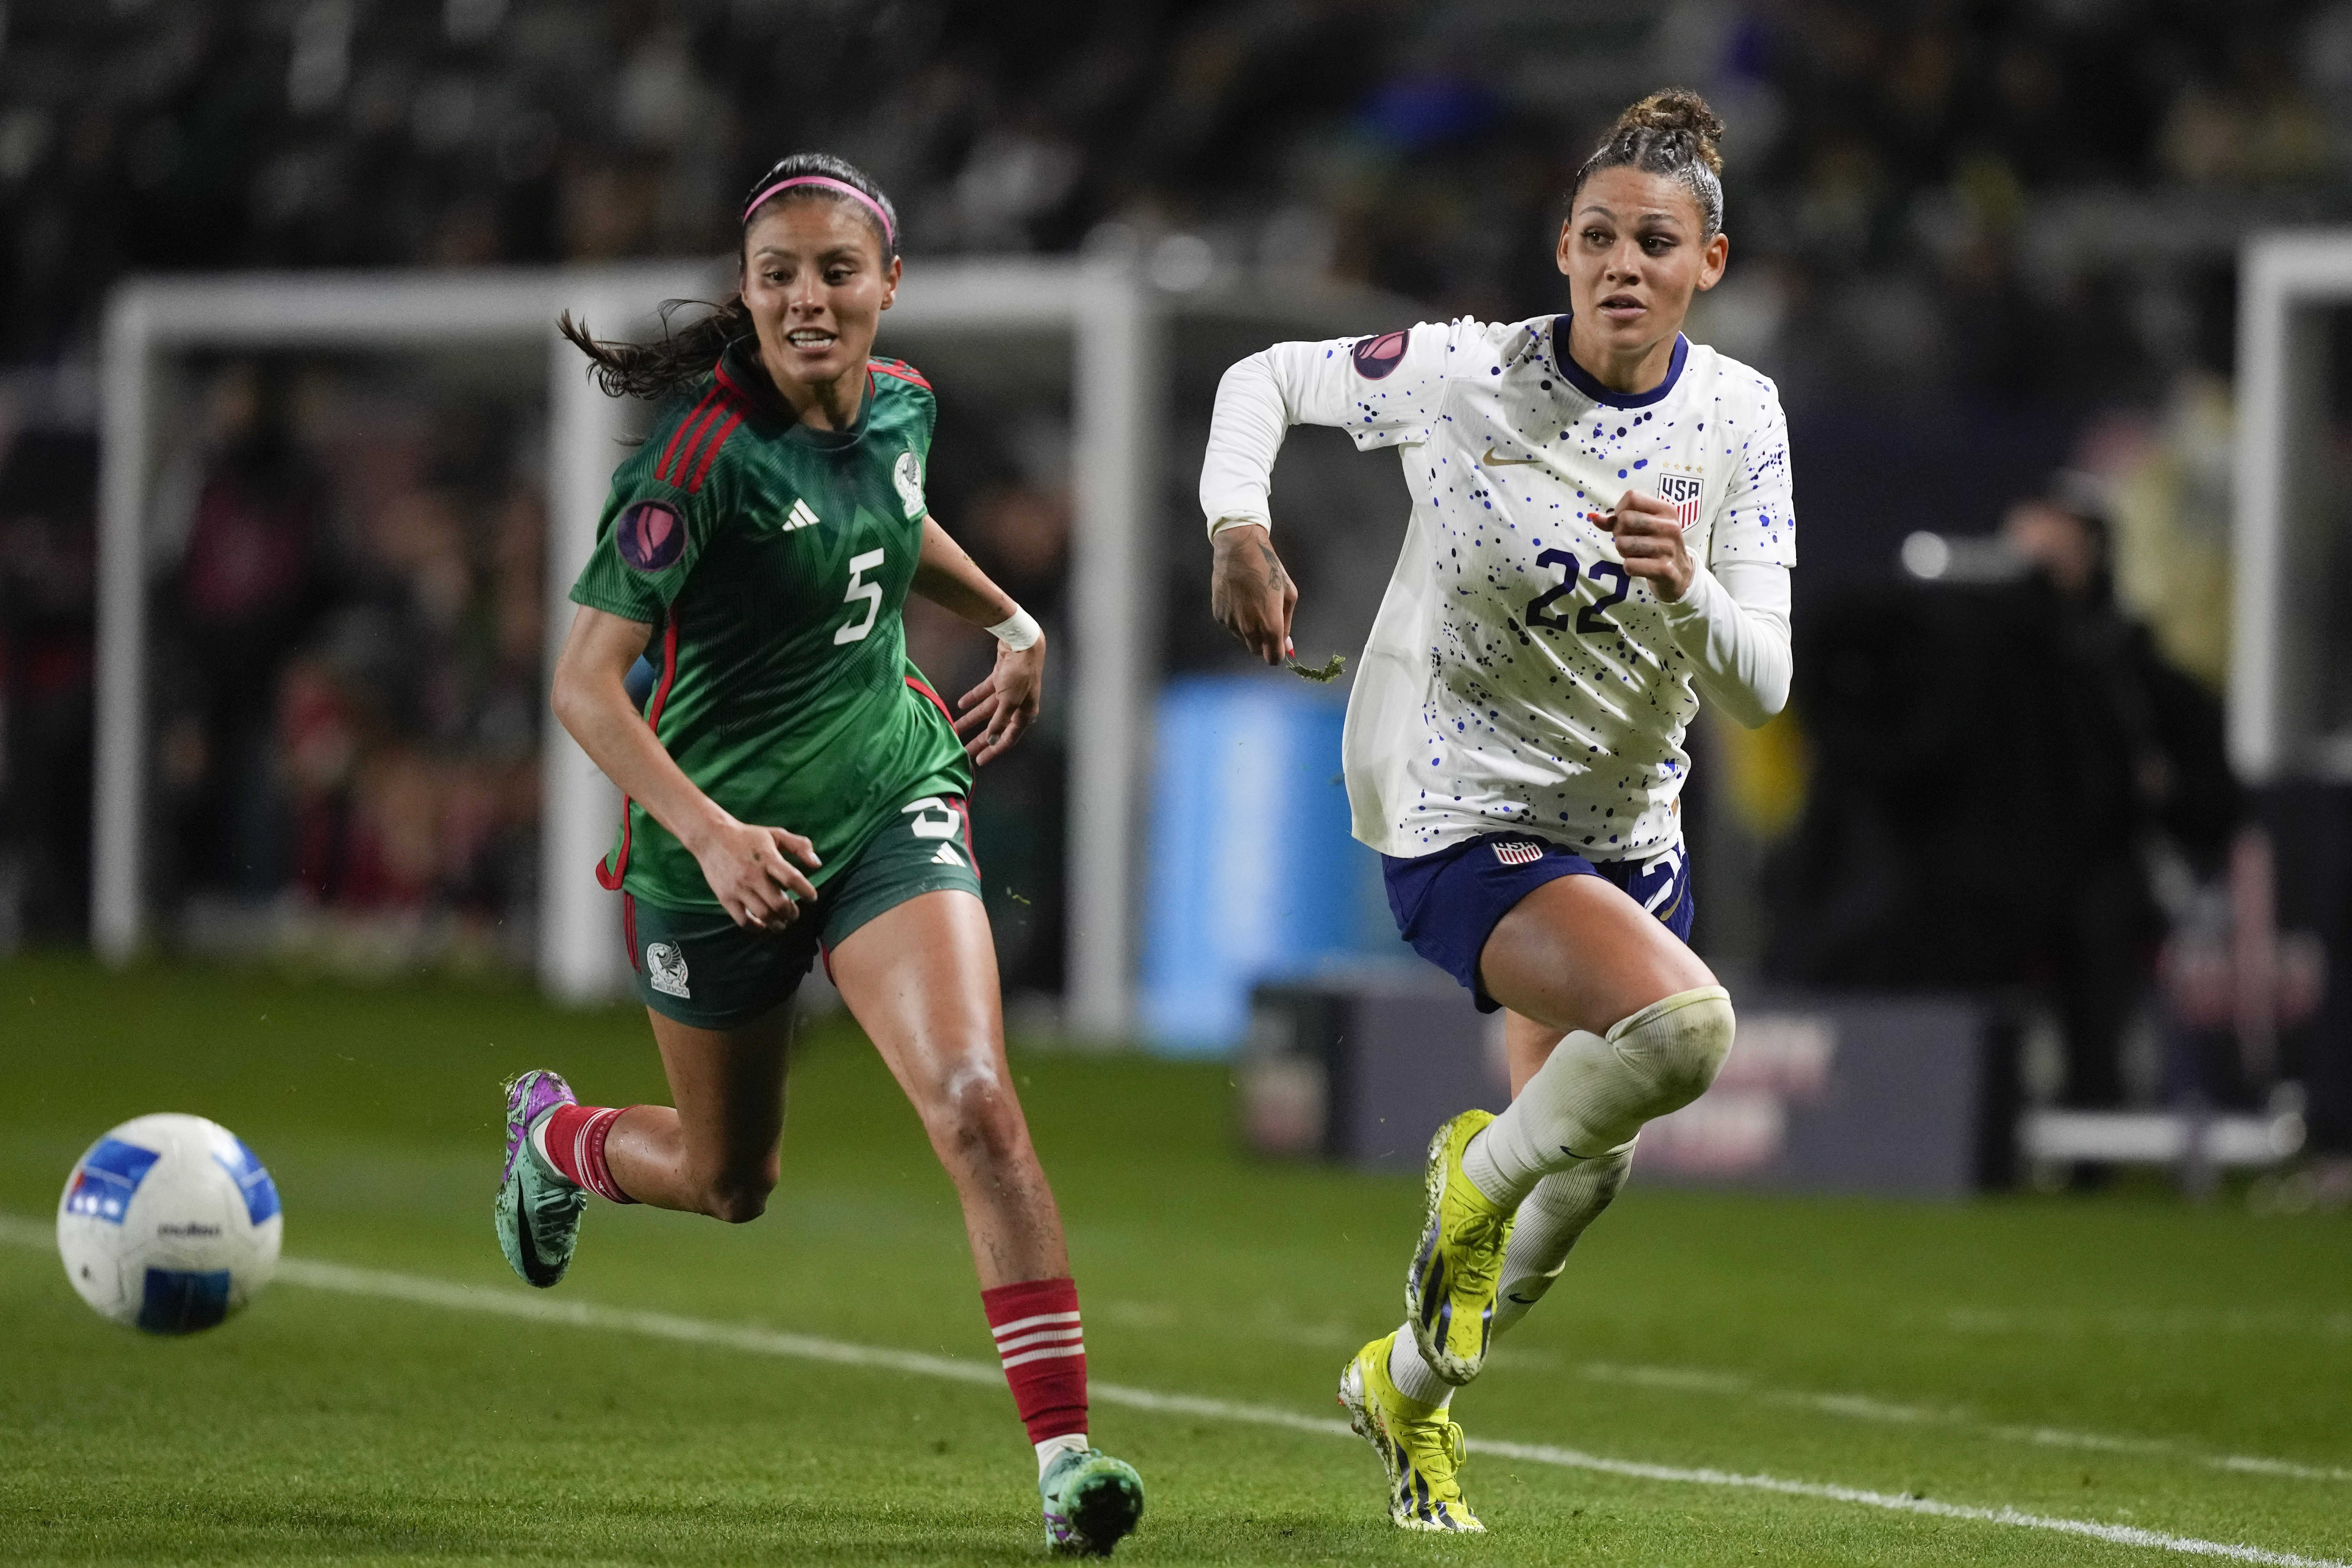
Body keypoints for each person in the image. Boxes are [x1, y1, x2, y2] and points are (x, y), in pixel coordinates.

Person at [495, 153, 1143, 1556]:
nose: (806, 297)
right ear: (747, 290)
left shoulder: (903, 404)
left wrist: (1016, 622)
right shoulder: (697, 462)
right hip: (714, 852)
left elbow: (893, 527)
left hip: (885, 800)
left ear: (887, 285)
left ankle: (1066, 1464)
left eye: (835, 271)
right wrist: (711, 833)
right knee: (733, 1183)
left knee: (974, 1100)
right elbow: (584, 687)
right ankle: (556, 1141)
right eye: (777, 274)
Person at [1199, 91, 1792, 1532]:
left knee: (1568, 1196)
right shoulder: (1465, 375)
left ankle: (1403, 1388)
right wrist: (1237, 523)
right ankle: (1471, 1165)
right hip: (1459, 810)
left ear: (1707, 261)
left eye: (1656, 241)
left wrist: (1686, 587)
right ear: (1562, 248)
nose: (1622, 264)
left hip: (1625, 836)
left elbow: (1763, 683)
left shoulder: (1737, 418)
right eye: (1598, 235)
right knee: (1688, 1029)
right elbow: (1261, 380)